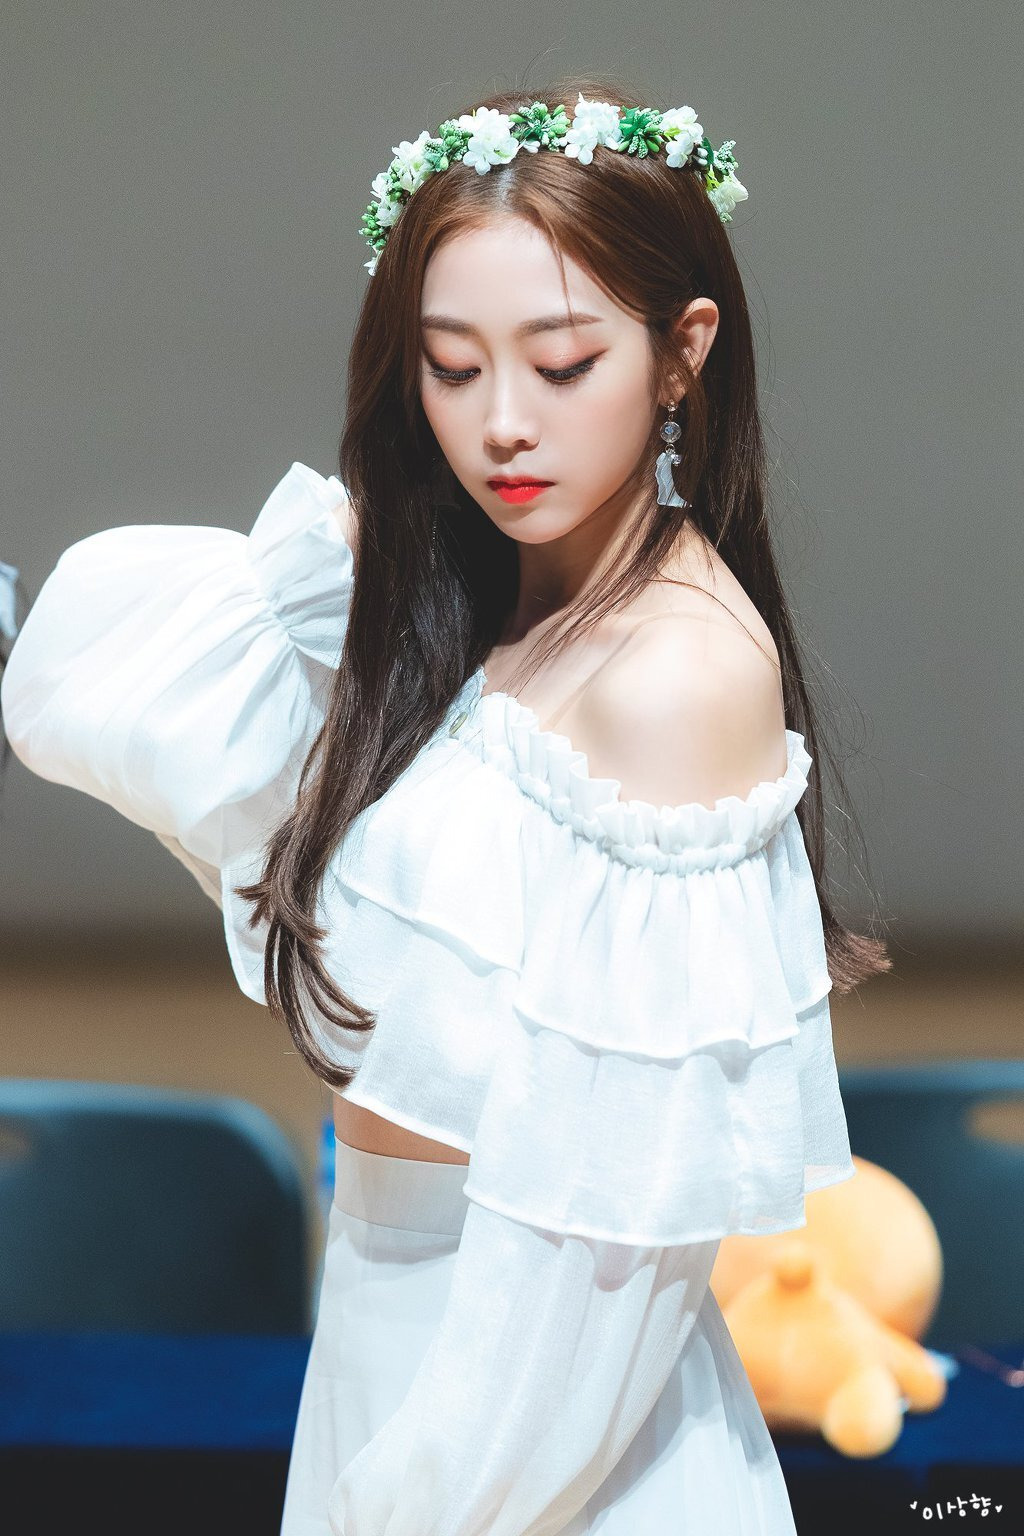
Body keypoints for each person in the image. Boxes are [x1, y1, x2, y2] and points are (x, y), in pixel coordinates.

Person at [1, 74, 890, 1536]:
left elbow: (606, 1260)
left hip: (531, 1432)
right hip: (389, 1329)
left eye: (563, 363)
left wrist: (410, 1502)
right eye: (452, 367)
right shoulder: (467, 597)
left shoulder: (676, 674)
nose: (503, 426)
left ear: (683, 354)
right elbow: (142, 724)